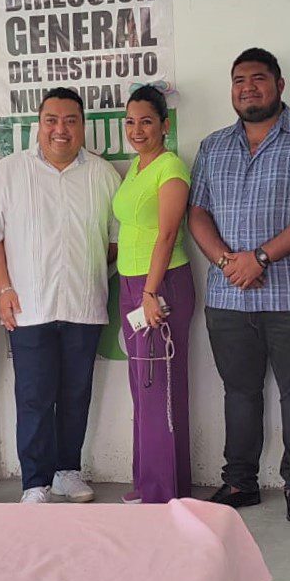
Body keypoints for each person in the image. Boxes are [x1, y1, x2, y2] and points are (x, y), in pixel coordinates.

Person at [189, 47, 290, 525]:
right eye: (239, 80)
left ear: (280, 85)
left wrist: (259, 257)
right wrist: (225, 261)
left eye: (258, 79)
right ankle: (241, 481)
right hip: (228, 295)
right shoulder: (213, 145)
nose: (247, 88)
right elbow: (196, 212)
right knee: (238, 391)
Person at [0, 86, 120, 503]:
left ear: (83, 126)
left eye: (70, 121)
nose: (61, 129)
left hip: (83, 303)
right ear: (38, 126)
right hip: (28, 306)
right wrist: (3, 288)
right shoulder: (8, 171)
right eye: (51, 121)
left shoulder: (102, 174)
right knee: (35, 396)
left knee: (76, 393)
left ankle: (67, 471)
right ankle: (34, 482)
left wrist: (87, 266)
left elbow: (114, 241)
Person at [113, 84, 194, 504]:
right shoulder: (137, 167)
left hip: (158, 284)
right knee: (143, 387)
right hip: (133, 284)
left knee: (156, 384)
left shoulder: (170, 167)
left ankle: (162, 491)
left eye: (146, 121)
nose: (137, 129)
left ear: (165, 125)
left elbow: (166, 234)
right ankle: (153, 482)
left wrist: (149, 291)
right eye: (130, 121)